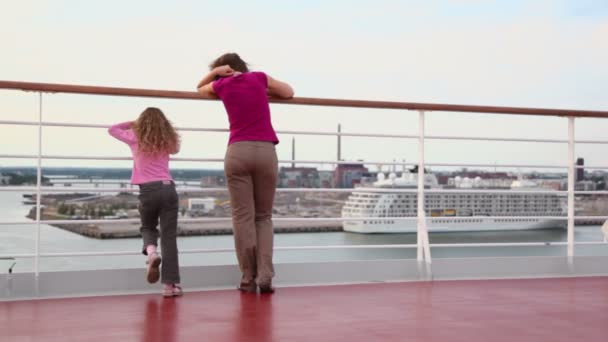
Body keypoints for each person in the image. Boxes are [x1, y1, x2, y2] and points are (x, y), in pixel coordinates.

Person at [197, 52, 294, 293]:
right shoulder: (259, 79)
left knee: (242, 218)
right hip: (265, 151)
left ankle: (247, 278)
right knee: (263, 217)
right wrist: (264, 92)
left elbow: (199, 88)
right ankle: (265, 274)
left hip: (238, 151)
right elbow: (289, 92)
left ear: (222, 70)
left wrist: (214, 74)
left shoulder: (221, 84)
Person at [108, 107, 182, 297]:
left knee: (148, 227)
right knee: (169, 238)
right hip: (168, 188)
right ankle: (170, 286)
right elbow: (176, 149)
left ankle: (151, 254)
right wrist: (165, 129)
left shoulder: (134, 135)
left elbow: (113, 129)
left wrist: (134, 123)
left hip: (148, 190)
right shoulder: (167, 139)